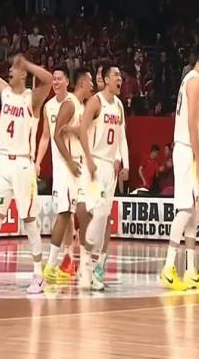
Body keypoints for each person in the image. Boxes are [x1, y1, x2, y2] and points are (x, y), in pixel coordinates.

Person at [0, 12, 52, 297]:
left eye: (14, 68)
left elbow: (48, 80)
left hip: (24, 165)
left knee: (29, 221)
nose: (10, 70)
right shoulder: (5, 92)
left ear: (23, 74)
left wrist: (26, 62)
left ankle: (39, 275)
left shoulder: (32, 99)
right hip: (3, 163)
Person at [160, 39, 199, 291]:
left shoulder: (190, 80)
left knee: (195, 210)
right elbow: (193, 123)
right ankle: (168, 267)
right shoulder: (194, 82)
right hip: (187, 150)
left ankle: (191, 270)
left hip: (188, 149)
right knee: (185, 209)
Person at [78, 63, 129, 290]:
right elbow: (82, 129)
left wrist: (125, 162)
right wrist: (88, 158)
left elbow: (121, 136)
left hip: (110, 168)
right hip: (95, 164)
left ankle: (96, 267)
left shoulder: (119, 105)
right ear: (106, 79)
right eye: (116, 75)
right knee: (94, 212)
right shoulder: (96, 102)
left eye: (121, 75)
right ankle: (87, 264)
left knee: (105, 217)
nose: (120, 79)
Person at [43, 68, 94, 284]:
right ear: (82, 82)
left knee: (84, 213)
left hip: (78, 167)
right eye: (90, 80)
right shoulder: (70, 104)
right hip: (67, 167)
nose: (93, 84)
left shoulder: (82, 106)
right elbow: (56, 135)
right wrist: (70, 162)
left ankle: (80, 263)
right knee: (64, 214)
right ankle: (50, 266)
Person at [36, 67, 78, 277]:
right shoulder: (48, 106)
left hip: (72, 165)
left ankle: (60, 261)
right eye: (53, 79)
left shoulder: (73, 103)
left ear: (67, 81)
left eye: (59, 79)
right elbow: (45, 136)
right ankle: (69, 259)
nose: (55, 82)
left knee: (67, 212)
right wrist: (37, 161)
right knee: (66, 212)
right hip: (58, 165)